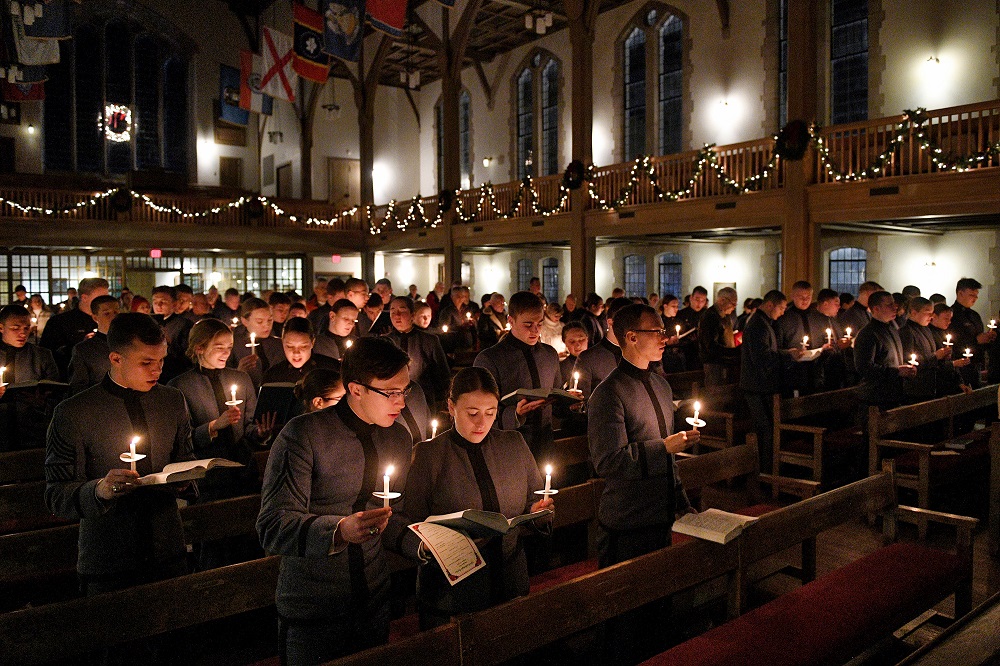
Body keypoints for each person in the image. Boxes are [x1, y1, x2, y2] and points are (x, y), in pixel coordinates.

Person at [257, 336, 421, 664]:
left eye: (405, 390)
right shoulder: (303, 435)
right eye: (390, 392)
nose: (401, 403)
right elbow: (273, 526)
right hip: (313, 608)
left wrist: (423, 544)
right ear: (355, 388)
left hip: (375, 601)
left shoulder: (398, 437)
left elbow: (392, 516)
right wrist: (340, 530)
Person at [45, 313, 194, 595]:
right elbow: (56, 495)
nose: (157, 371)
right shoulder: (75, 412)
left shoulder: (172, 400)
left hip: (167, 547)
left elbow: (185, 456)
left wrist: (185, 479)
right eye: (146, 363)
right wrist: (100, 490)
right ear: (115, 359)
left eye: (161, 360)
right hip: (109, 557)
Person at [587, 303, 698, 665]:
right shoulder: (608, 394)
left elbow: (667, 460)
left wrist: (681, 502)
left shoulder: (661, 385)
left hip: (660, 514)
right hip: (627, 523)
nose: (665, 338)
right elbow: (609, 462)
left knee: (658, 614)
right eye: (657, 331)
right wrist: (662, 447)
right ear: (631, 337)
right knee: (626, 625)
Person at [404, 367, 551, 629]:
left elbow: (534, 498)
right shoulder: (429, 455)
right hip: (451, 593)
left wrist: (539, 511)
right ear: (451, 407)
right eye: (472, 413)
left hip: (510, 579)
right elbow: (413, 521)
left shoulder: (513, 444)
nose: (481, 423)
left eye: (490, 413)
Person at [168, 318, 273, 500]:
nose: (226, 353)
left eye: (229, 347)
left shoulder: (241, 378)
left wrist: (261, 433)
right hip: (208, 477)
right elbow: (180, 441)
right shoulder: (180, 386)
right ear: (199, 348)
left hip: (244, 471)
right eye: (219, 347)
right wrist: (214, 426)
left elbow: (248, 426)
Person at [474, 291, 565, 462]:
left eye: (539, 324)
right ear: (511, 321)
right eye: (528, 324)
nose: (535, 331)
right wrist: (515, 413)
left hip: (545, 442)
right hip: (507, 444)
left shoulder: (549, 354)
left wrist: (570, 401)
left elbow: (557, 396)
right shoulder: (490, 358)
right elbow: (480, 410)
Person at [740, 290, 802, 471]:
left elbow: (769, 353)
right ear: (769, 305)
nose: (783, 312)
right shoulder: (758, 325)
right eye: (781, 308)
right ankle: (763, 471)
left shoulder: (764, 323)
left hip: (762, 386)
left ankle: (767, 468)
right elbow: (762, 359)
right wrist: (788, 357)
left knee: (768, 430)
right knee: (764, 431)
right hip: (756, 386)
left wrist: (787, 353)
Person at [0, 304, 61, 451]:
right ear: (1, 327)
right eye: (15, 328)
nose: (22, 333)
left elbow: (58, 393)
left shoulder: (42, 356)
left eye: (26, 328)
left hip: (34, 433)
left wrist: (42, 402)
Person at [854, 291, 917, 411]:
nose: (895, 307)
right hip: (876, 398)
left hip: (894, 394)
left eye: (894, 303)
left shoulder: (892, 329)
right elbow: (864, 367)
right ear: (876, 309)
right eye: (889, 305)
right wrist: (897, 372)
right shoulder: (867, 334)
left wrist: (907, 368)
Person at [386, 296, 450, 409]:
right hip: (391, 401)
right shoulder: (385, 341)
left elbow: (442, 373)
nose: (397, 315)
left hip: (423, 400)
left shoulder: (429, 340)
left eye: (402, 310)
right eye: (393, 311)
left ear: (412, 315)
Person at [898, 297, 968, 400]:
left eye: (932, 313)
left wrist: (943, 357)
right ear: (913, 312)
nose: (931, 317)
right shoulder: (906, 331)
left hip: (931, 386)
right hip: (915, 388)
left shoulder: (926, 329)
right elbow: (908, 361)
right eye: (928, 313)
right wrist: (935, 356)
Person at [40, 277, 110, 377]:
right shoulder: (60, 322)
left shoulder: (111, 322)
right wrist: (80, 347)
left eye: (107, 297)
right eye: (100, 298)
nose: (105, 302)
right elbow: (48, 355)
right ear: (84, 297)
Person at [573, 297, 630, 399]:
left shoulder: (640, 354)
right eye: (627, 323)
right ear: (610, 323)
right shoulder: (589, 358)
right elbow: (581, 400)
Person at [67, 294, 120, 395]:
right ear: (95, 317)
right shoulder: (84, 350)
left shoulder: (130, 344)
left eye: (116, 312)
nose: (113, 317)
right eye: (107, 313)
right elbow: (78, 387)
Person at [262, 316, 340, 384]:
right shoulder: (273, 376)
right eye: (289, 346)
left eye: (303, 347)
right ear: (282, 342)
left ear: (312, 343)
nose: (296, 353)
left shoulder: (332, 370)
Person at [950, 277, 996, 389]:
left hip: (976, 365)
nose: (975, 299)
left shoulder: (975, 315)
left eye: (976, 295)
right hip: (960, 368)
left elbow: (980, 338)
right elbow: (952, 341)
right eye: (971, 295)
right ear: (960, 293)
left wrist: (988, 338)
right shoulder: (951, 315)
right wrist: (976, 341)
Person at [228, 297, 282, 388]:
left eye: (269, 320)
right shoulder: (233, 345)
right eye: (259, 321)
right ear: (245, 321)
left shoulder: (278, 344)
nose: (267, 325)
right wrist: (239, 372)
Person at [151, 285, 194, 382]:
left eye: (163, 302)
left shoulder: (184, 325)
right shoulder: (149, 323)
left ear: (174, 304)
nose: (159, 305)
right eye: (155, 302)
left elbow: (187, 356)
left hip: (174, 375)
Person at [698, 286, 740, 386]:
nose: (734, 307)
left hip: (726, 363)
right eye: (733, 303)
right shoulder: (710, 317)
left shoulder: (725, 316)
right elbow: (711, 346)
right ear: (722, 300)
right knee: (717, 395)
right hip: (715, 365)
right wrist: (735, 351)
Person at [676, 286, 709, 370]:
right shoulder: (681, 314)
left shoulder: (707, 315)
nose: (699, 303)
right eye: (697, 299)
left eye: (703, 301)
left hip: (703, 354)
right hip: (685, 353)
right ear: (691, 298)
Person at [560, 321, 589, 388]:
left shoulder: (598, 361)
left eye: (581, 339)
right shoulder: (562, 368)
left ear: (587, 338)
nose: (578, 345)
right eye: (572, 342)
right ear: (565, 343)